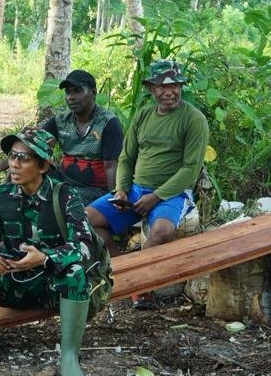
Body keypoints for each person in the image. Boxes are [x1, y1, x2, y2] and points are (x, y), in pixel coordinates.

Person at [0, 128, 105, 376]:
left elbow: (83, 246)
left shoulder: (65, 196)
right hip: (13, 281)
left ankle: (69, 357)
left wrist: (45, 258)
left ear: (43, 166)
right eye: (12, 156)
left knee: (75, 272)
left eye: (23, 158)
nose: (14, 164)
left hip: (50, 286)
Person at [85, 59, 209, 309]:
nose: (168, 92)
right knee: (86, 219)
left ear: (181, 87)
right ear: (152, 89)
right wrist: (122, 190)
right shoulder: (143, 115)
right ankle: (121, 270)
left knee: (162, 232)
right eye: (161, 87)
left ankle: (141, 288)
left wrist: (156, 197)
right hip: (136, 189)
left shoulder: (193, 119)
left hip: (172, 193)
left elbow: (190, 170)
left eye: (174, 86)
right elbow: (127, 158)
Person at [0, 69, 123, 204]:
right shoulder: (61, 120)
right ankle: (8, 203)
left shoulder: (108, 123)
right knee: (25, 172)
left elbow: (111, 166)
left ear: (93, 92)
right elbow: (31, 145)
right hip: (63, 179)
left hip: (94, 189)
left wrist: (112, 200)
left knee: (61, 201)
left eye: (77, 91)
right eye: (68, 92)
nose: (71, 97)